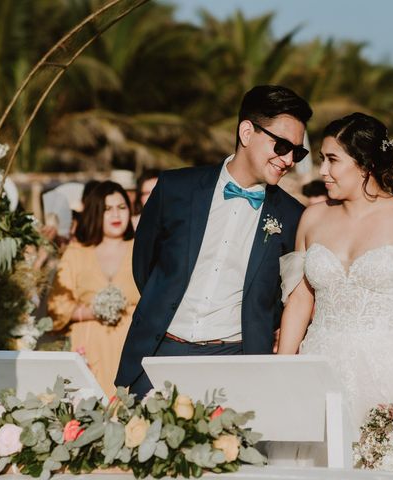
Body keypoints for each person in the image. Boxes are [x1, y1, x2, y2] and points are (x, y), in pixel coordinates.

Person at [276, 113, 393, 477]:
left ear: (364, 165)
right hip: (320, 363)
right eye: (322, 159)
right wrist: (283, 370)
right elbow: (299, 302)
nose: (323, 170)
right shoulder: (313, 219)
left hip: (388, 369)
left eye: (332, 159)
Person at [116, 85, 312, 398]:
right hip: (159, 353)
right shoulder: (174, 188)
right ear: (247, 132)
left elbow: (283, 298)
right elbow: (146, 266)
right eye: (282, 146)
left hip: (237, 363)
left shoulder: (293, 216)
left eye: (297, 152)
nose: (289, 160)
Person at [48, 181, 139, 397]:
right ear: (95, 213)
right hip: (89, 346)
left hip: (131, 345)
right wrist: (92, 311)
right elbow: (56, 304)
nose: (116, 215)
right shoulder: (76, 252)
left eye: (122, 207)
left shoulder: (141, 248)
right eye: (107, 209)